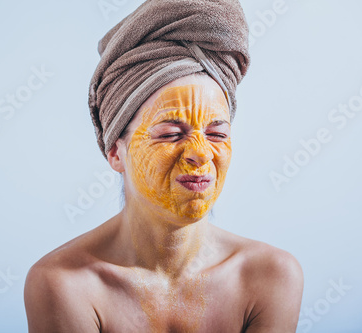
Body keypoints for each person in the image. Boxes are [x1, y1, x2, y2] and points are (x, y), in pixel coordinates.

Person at [25, 1, 303, 332]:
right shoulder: (65, 285)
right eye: (171, 134)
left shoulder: (270, 277)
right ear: (116, 152)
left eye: (216, 133)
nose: (201, 154)